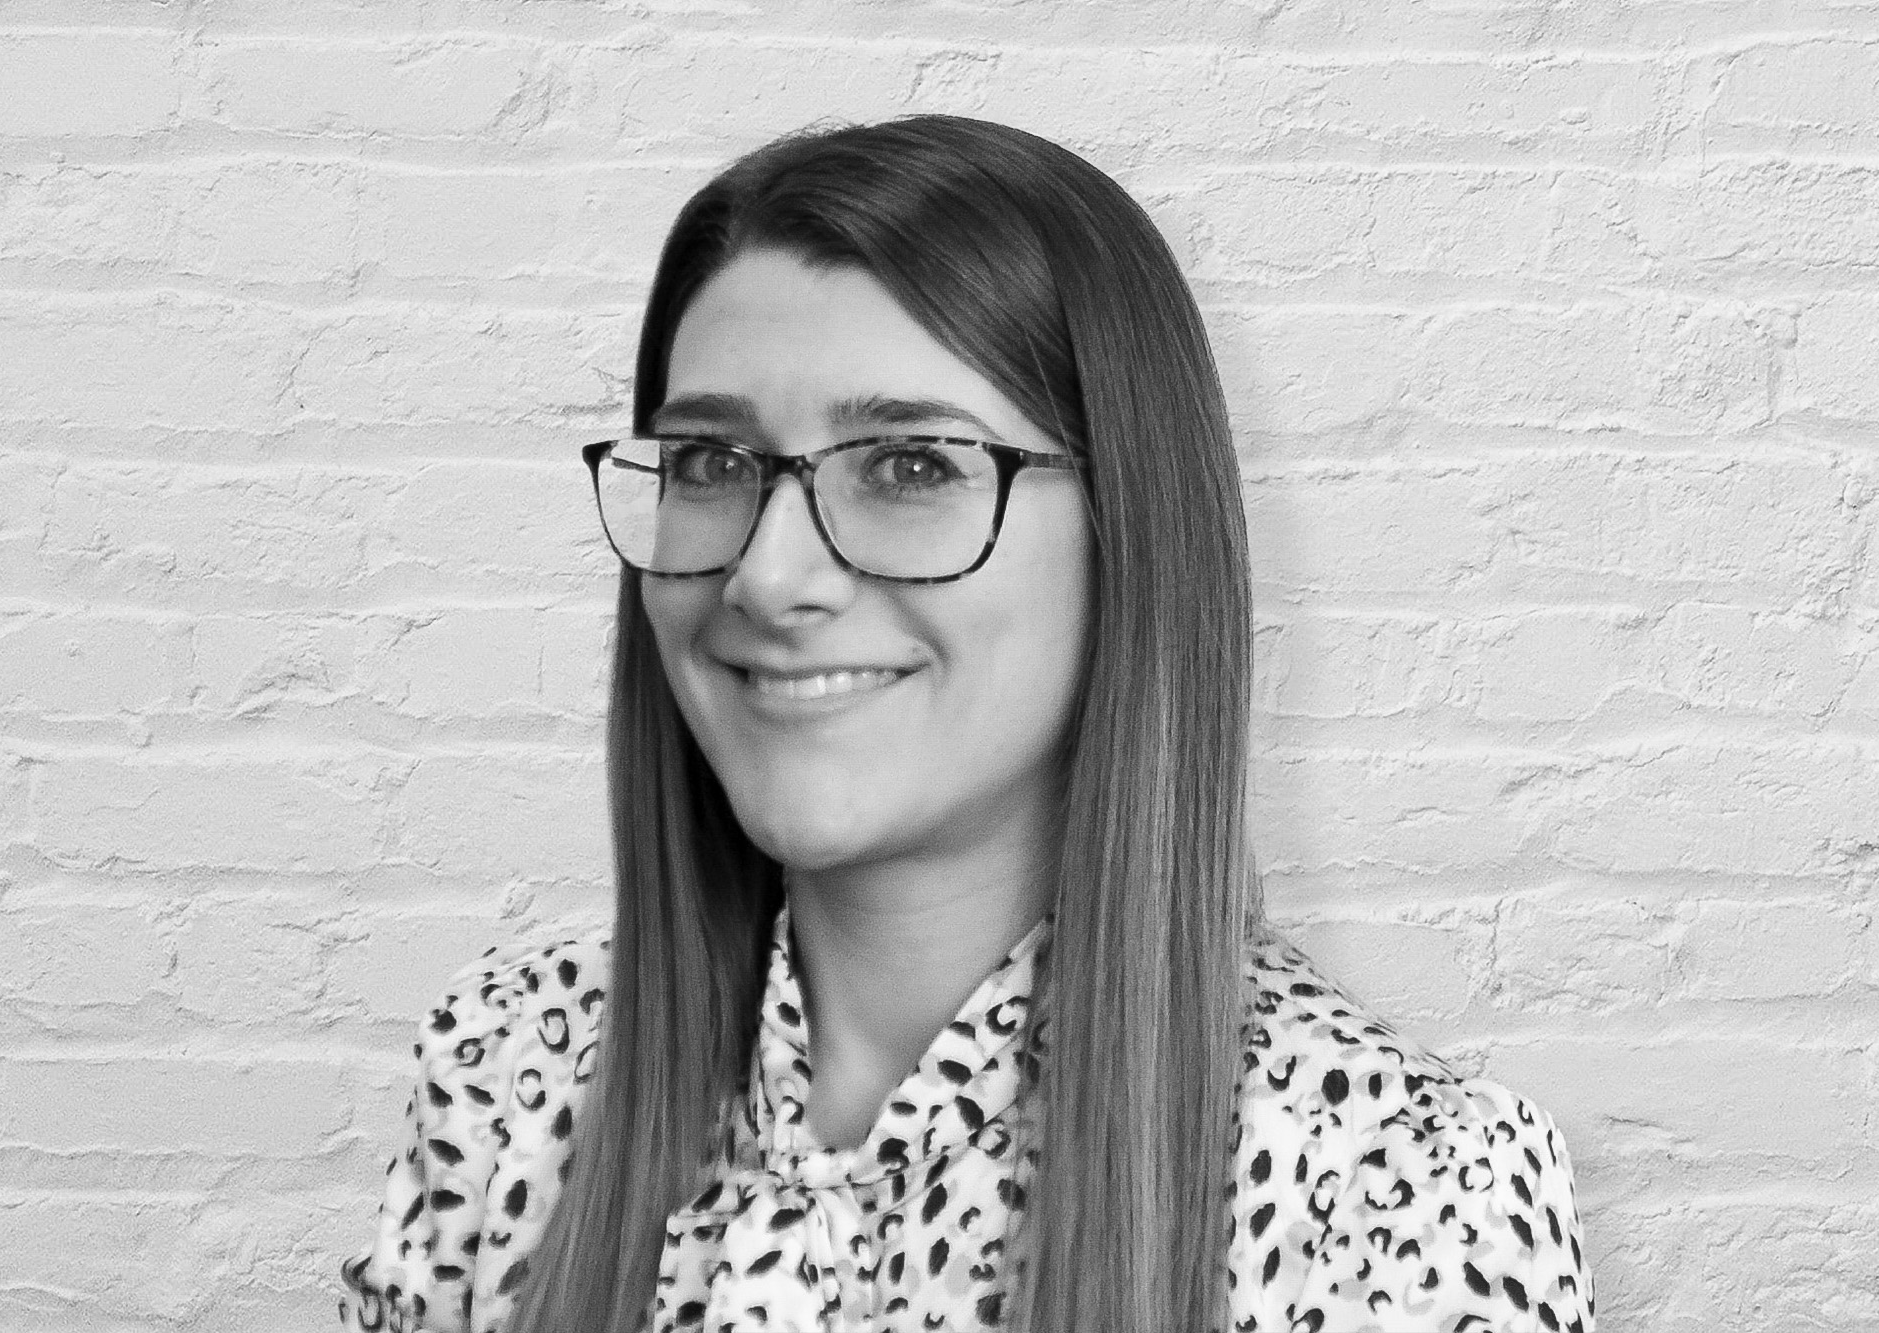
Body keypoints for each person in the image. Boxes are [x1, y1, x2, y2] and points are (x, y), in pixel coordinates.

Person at [338, 115, 1594, 1333]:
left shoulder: (1399, 1197)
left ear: (1127, 532)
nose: (768, 578)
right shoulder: (513, 1074)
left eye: (909, 467)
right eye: (712, 465)